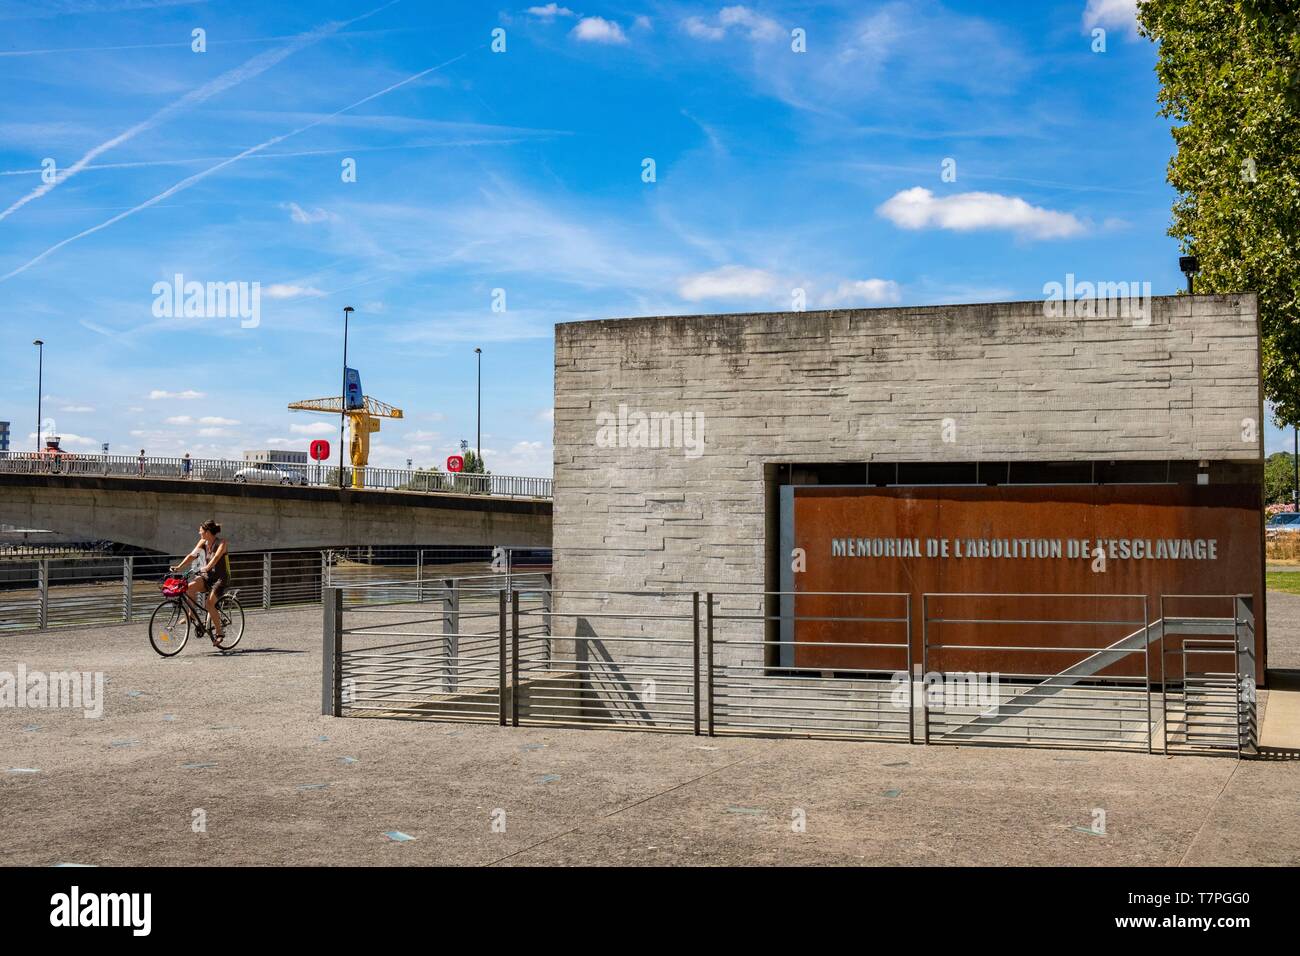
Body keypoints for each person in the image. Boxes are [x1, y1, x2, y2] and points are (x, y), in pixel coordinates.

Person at [170, 519, 231, 646]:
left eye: (201, 531)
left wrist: (207, 567)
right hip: (208, 576)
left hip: (221, 578)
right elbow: (192, 555)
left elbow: (216, 557)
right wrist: (179, 567)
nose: (199, 533)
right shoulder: (203, 542)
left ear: (207, 532)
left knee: (209, 604)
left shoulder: (222, 543)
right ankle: (191, 615)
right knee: (189, 588)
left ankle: (219, 633)